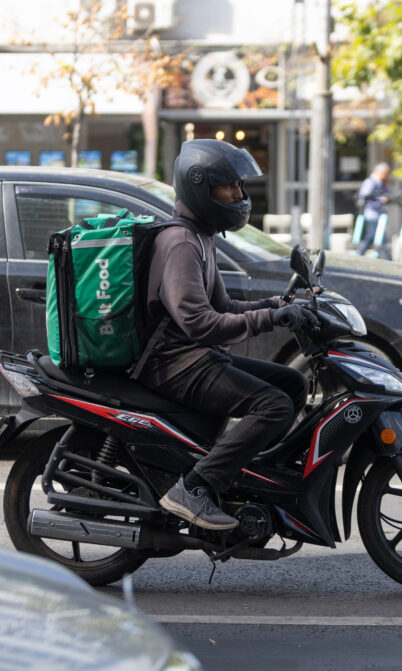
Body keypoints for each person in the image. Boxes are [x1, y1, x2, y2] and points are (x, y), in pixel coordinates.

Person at [139, 139, 313, 531]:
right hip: (175, 363)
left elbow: (225, 308)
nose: (239, 195)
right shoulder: (182, 242)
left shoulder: (200, 236)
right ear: (200, 187)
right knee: (274, 406)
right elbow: (199, 323)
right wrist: (270, 319)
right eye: (229, 187)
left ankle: (244, 474)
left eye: (239, 186)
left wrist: (276, 305)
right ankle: (196, 487)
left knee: (293, 382)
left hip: (193, 356)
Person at [356, 162, 391, 258]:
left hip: (378, 214)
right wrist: (380, 199)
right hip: (371, 214)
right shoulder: (371, 182)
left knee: (373, 236)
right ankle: (387, 258)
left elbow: (388, 193)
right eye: (386, 173)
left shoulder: (381, 183)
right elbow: (365, 196)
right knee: (374, 236)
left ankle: (360, 254)